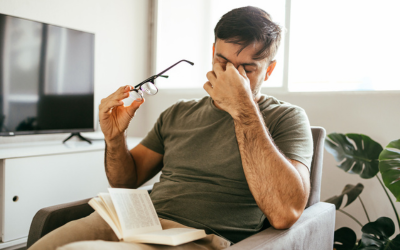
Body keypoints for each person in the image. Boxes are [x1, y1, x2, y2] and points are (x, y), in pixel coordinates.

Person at [29, 6, 312, 250]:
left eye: (246, 69)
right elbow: (125, 181)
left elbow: (284, 214)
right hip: (137, 221)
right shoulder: (179, 112)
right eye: (222, 62)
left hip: (198, 238)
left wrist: (244, 111)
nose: (229, 76)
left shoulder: (285, 118)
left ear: (269, 70)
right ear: (213, 52)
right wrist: (115, 139)